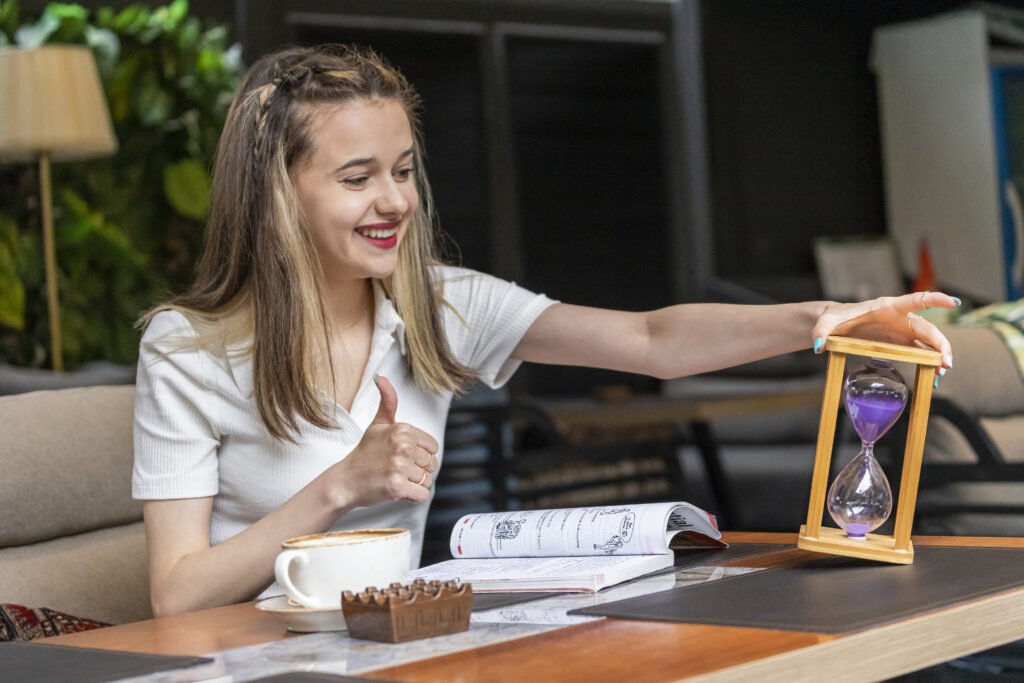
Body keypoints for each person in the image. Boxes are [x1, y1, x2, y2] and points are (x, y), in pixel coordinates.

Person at [132, 44, 957, 617]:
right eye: (357, 178)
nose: (396, 201)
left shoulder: (435, 305)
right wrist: (341, 486)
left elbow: (649, 341)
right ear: (279, 194)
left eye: (405, 169)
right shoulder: (186, 347)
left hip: (395, 645)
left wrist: (818, 319)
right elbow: (176, 593)